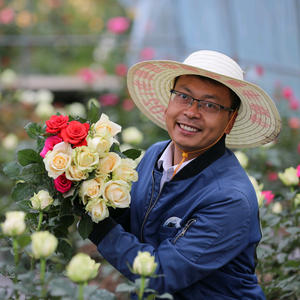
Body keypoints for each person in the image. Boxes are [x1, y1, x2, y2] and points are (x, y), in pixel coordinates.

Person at [88, 50, 282, 299]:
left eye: (210, 105)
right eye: (183, 96)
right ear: (169, 101)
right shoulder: (155, 155)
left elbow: (160, 275)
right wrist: (87, 189)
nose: (191, 112)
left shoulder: (230, 198)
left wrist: (96, 226)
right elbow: (133, 220)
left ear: (230, 121)